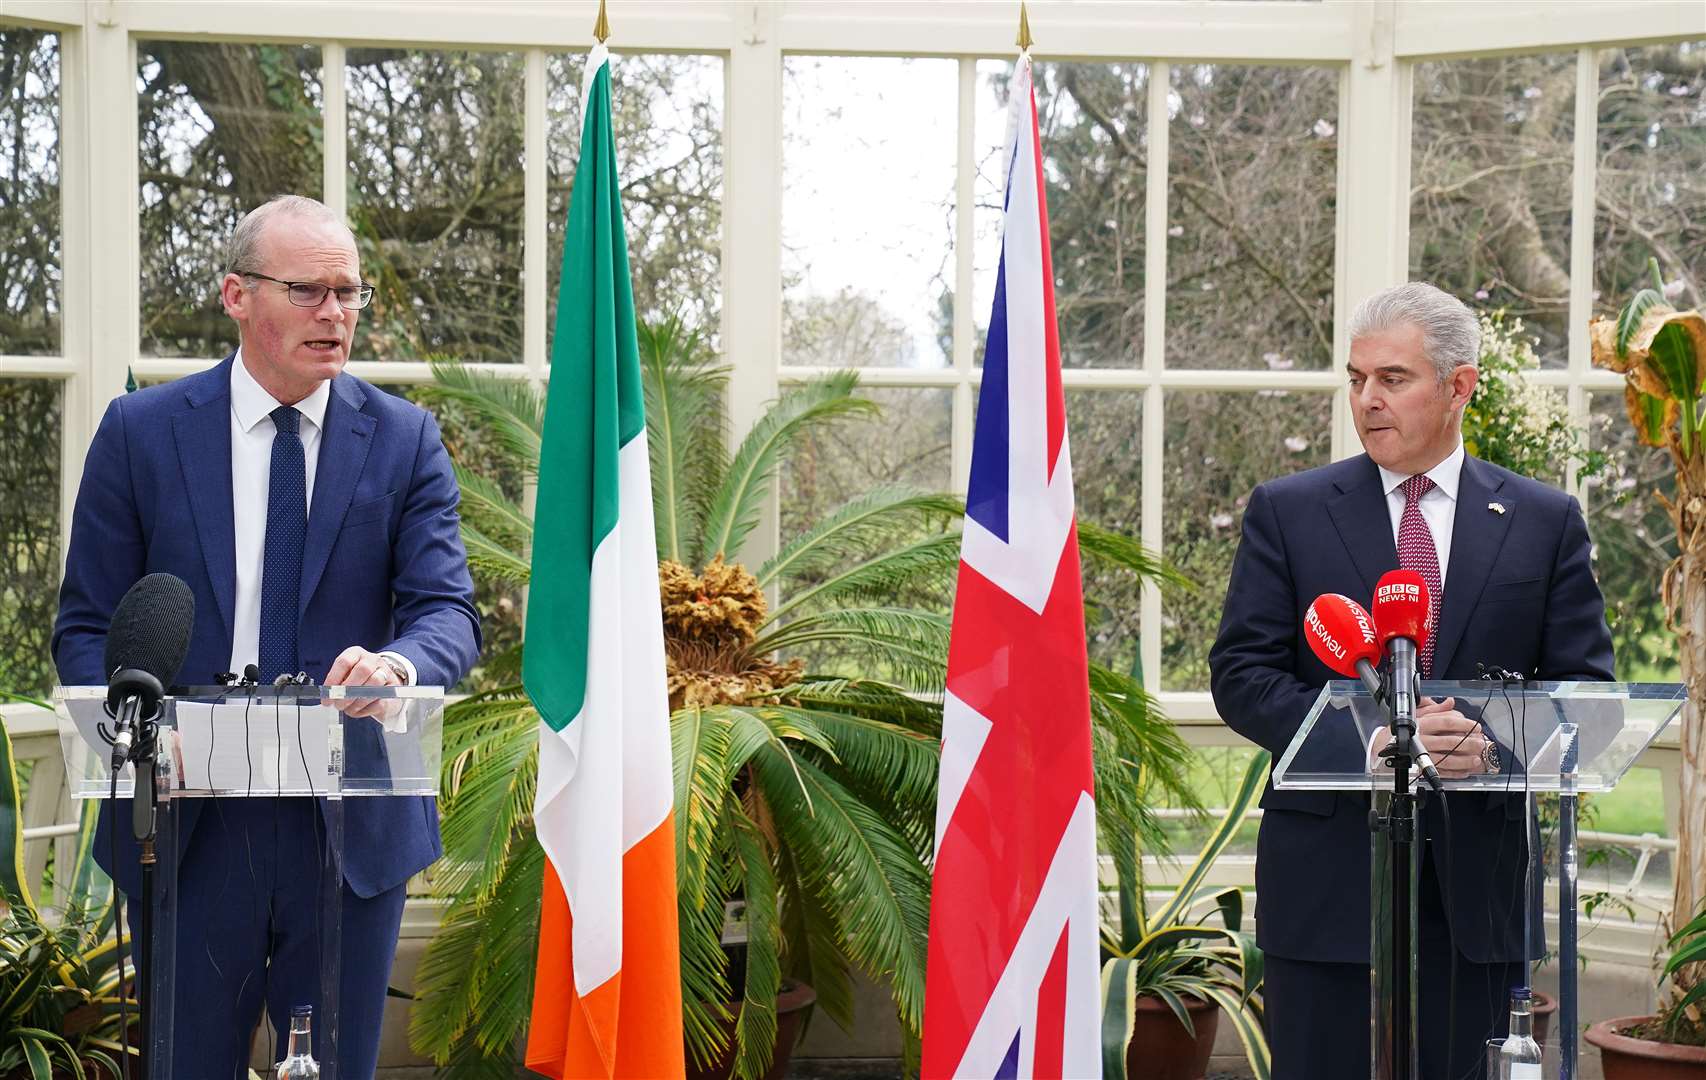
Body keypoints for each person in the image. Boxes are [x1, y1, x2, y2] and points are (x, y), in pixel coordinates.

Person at [53, 194, 481, 1078]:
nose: (336, 314)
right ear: (237, 296)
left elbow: (448, 612)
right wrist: (138, 738)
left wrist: (398, 664)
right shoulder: (141, 434)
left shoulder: (404, 440)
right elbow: (90, 626)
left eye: (350, 293)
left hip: (348, 828)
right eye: (309, 291)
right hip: (187, 827)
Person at [1208, 282, 1614, 1079]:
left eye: (1393, 379)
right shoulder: (1288, 512)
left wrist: (1487, 748)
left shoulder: (1544, 521)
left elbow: (1587, 697)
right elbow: (1242, 677)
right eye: (1356, 379)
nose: (1367, 400)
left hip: (1479, 900)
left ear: (1459, 385)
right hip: (1327, 892)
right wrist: (1376, 738)